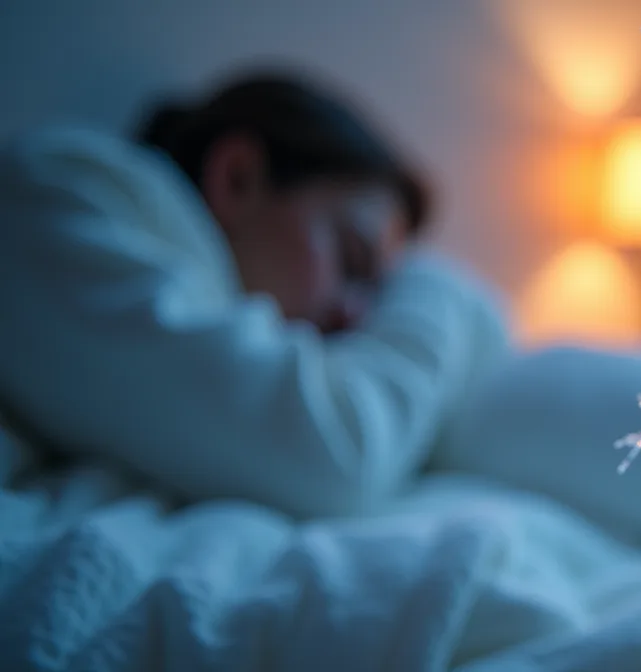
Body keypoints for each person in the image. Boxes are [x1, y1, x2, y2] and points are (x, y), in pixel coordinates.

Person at [0, 70, 512, 520]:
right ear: (237, 177)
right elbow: (335, 458)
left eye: (376, 294)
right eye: (351, 259)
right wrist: (436, 285)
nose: (355, 317)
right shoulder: (55, 193)